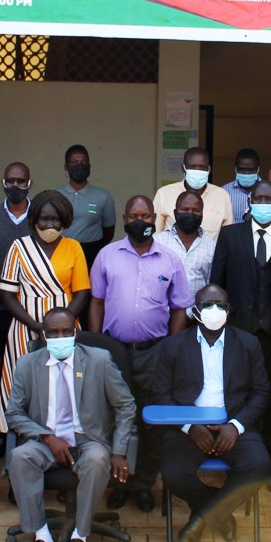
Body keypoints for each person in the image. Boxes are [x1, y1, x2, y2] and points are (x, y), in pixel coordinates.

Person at [6, 307, 137, 542]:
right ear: (43, 336)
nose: (60, 336)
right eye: (53, 332)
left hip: (89, 439)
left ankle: (80, 535)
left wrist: (119, 450)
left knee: (98, 459)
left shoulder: (99, 360)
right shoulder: (27, 364)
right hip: (46, 441)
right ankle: (42, 536)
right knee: (20, 456)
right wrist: (45, 436)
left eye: (66, 331)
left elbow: (126, 404)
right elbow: (14, 414)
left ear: (76, 332)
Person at [88, 195, 193, 511]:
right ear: (124, 219)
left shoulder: (170, 259)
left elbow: (180, 308)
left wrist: (170, 347)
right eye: (134, 215)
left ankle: (144, 483)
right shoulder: (107, 255)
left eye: (146, 215)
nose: (140, 220)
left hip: (155, 351)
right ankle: (117, 482)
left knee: (151, 420)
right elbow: (97, 302)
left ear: (155, 219)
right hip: (114, 350)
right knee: (114, 417)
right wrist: (96, 344)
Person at [150, 285, 271, 542]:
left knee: (259, 466)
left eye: (221, 305)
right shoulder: (172, 346)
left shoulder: (248, 344)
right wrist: (189, 426)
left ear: (229, 311)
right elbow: (160, 393)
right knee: (173, 475)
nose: (214, 311)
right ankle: (221, 513)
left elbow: (261, 392)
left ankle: (202, 518)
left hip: (233, 424)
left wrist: (236, 426)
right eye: (207, 305)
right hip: (188, 426)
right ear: (195, 310)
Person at [209, 179, 271, 489]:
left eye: (269, 199)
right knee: (237, 398)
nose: (264, 203)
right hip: (238, 334)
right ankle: (236, 462)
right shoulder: (229, 236)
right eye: (259, 198)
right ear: (250, 202)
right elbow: (217, 286)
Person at [0, 191, 93, 436]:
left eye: (56, 220)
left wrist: (60, 326)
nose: (50, 225)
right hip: (24, 327)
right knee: (23, 384)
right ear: (34, 220)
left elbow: (82, 293)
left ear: (65, 221)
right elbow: (7, 295)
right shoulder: (19, 247)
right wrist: (37, 326)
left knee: (65, 384)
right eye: (45, 219)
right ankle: (17, 437)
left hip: (65, 331)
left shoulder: (73, 247)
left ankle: (67, 435)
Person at [0, 162, 35, 459]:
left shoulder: (40, 215)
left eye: (21, 181)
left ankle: (28, 431)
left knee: (29, 373)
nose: (15, 186)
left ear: (30, 183)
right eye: (10, 181)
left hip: (32, 310)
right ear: (3, 183)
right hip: (0, 309)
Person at [59, 145, 117, 268]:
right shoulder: (56, 196)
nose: (80, 166)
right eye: (74, 162)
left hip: (91, 256)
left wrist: (95, 249)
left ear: (89, 166)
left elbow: (108, 231)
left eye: (84, 162)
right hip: (61, 254)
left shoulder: (103, 196)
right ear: (66, 167)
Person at [154, 147, 234, 234]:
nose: (197, 171)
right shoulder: (164, 194)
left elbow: (228, 236)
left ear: (209, 169)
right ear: (183, 168)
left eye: (202, 167)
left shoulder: (221, 196)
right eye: (193, 167)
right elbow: (155, 234)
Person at [155, 189, 217, 295]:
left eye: (196, 210)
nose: (190, 213)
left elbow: (211, 285)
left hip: (196, 309)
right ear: (175, 212)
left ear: (202, 214)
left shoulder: (211, 246)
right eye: (185, 209)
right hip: (164, 310)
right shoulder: (158, 242)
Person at [219, 147, 261, 221]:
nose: (246, 173)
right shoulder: (223, 192)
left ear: (258, 169)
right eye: (242, 169)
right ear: (235, 168)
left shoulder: (270, 192)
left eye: (250, 170)